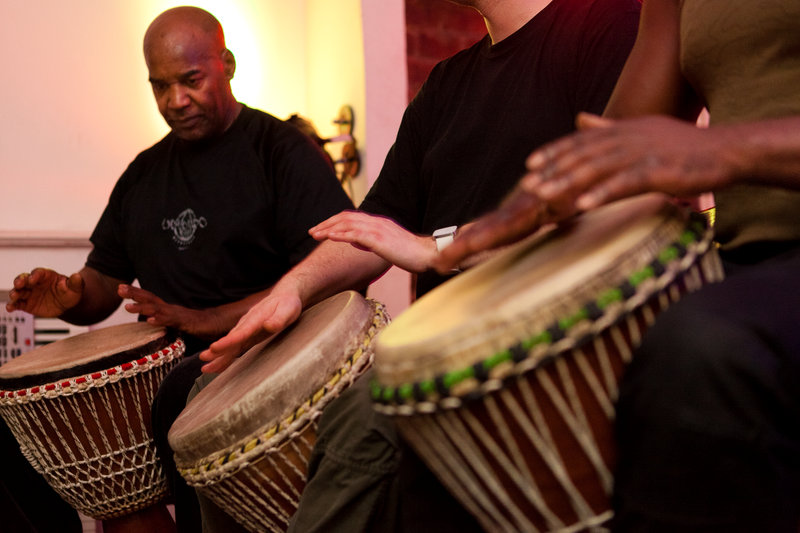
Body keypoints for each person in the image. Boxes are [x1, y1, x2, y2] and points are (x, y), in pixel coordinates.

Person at [199, 0, 640, 530]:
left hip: (550, 336)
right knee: (208, 401)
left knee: (367, 417)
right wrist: (291, 289)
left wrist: (437, 248)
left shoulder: (606, 25)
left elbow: (608, 207)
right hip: (441, 343)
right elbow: (374, 227)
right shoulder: (448, 82)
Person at [435, 1, 800, 531]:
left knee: (701, 346)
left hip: (748, 300)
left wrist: (722, 148)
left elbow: (687, 145)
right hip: (742, 268)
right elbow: (632, 125)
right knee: (437, 393)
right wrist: (541, 196)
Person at [4, 6, 353, 533]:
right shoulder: (144, 175)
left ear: (227, 64)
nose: (175, 101)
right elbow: (104, 278)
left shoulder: (281, 153)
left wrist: (210, 319)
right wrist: (72, 296)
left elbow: (336, 271)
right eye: (160, 86)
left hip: (269, 359)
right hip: (172, 366)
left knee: (180, 396)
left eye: (190, 80)